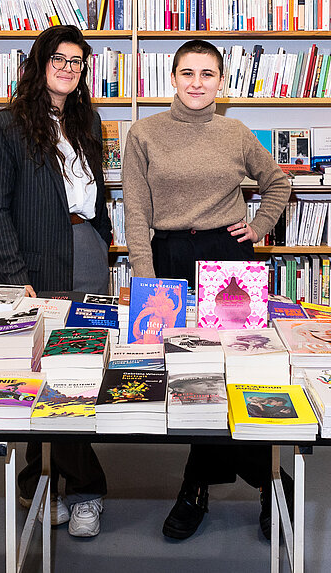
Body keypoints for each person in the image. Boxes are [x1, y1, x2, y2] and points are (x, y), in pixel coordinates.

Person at [122, 38, 293, 542]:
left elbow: (278, 183)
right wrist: (146, 279)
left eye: (208, 73)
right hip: (169, 259)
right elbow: (135, 214)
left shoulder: (236, 133)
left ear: (221, 81)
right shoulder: (144, 133)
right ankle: (249, 482)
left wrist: (258, 227)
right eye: (187, 72)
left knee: (239, 372)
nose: (197, 82)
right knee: (192, 373)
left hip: (229, 265)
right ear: (172, 78)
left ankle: (215, 487)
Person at [0, 24, 112, 539]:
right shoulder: (6, 124)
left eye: (78, 61)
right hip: (34, 266)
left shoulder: (88, 121)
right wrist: (14, 279)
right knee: (41, 376)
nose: (68, 68)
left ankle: (76, 492)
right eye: (59, 58)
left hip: (86, 254)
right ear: (38, 62)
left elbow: (93, 194)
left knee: (79, 373)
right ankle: (47, 483)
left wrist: (99, 237)